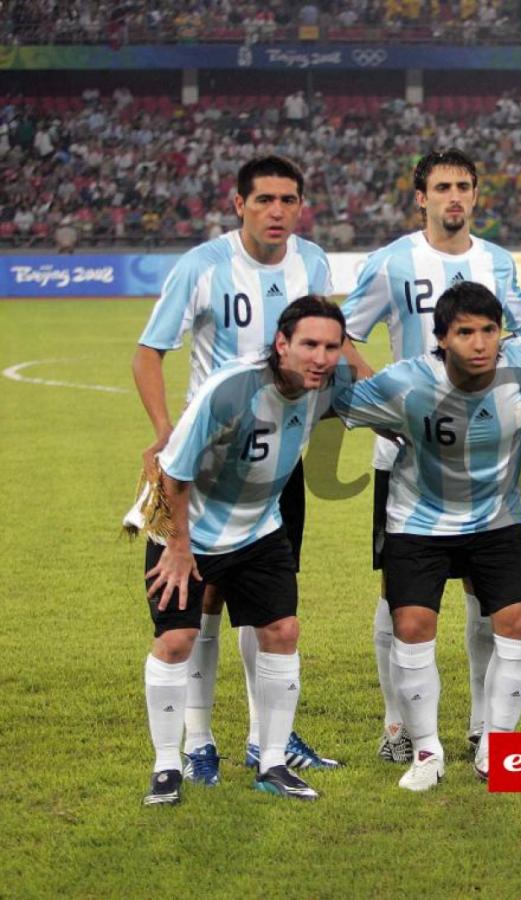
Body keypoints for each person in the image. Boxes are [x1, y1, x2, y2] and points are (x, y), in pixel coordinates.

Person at [132, 155, 339, 786]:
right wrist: (169, 433)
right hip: (205, 459)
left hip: (277, 465)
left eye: (289, 200)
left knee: (268, 604)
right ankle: (197, 739)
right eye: (265, 200)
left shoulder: (314, 262)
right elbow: (149, 353)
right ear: (239, 203)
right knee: (201, 601)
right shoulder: (202, 266)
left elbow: (329, 335)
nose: (277, 211)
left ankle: (263, 740)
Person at [341, 149, 521, 764]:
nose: (454, 197)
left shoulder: (498, 262)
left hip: (487, 452)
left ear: (477, 195)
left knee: (489, 591)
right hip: (405, 458)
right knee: (395, 595)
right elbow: (344, 336)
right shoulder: (393, 261)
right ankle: (397, 725)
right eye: (442, 187)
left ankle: (483, 725)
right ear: (419, 196)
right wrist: (388, 405)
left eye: (464, 187)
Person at [334, 282, 521, 789]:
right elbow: (337, 401)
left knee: (520, 623)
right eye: (464, 333)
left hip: (498, 522)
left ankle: (497, 746)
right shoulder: (404, 383)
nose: (479, 343)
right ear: (441, 339)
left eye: (488, 331)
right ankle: (427, 752)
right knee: (411, 626)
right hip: (418, 523)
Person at [140, 297, 351, 806]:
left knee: (282, 630)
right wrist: (180, 547)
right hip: (190, 531)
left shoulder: (328, 387)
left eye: (330, 346)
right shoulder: (232, 391)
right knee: (177, 640)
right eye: (308, 345)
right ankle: (169, 766)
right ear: (282, 345)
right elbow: (171, 469)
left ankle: (272, 761)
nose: (320, 357)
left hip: (259, 530)